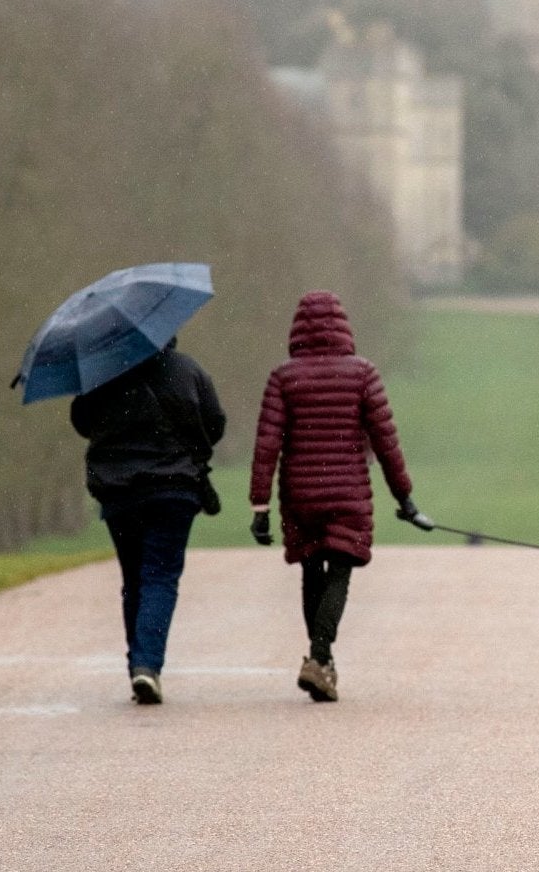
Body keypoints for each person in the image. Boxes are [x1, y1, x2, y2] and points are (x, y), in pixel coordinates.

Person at [250, 291, 430, 702]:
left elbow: (267, 445)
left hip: (300, 492)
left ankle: (322, 662)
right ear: (344, 327)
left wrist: (259, 507)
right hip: (348, 488)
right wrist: (405, 499)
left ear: (297, 329)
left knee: (312, 570)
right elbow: (386, 441)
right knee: (341, 571)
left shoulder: (283, 377)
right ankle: (319, 657)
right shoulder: (362, 374)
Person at [68, 335, 225, 705]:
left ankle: (139, 665)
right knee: (160, 575)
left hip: (119, 491)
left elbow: (82, 422)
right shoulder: (188, 370)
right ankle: (146, 664)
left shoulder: (101, 372)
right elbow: (215, 423)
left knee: (134, 578)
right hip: (174, 489)